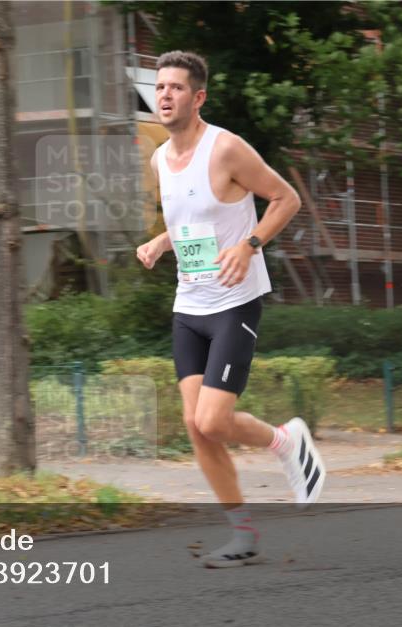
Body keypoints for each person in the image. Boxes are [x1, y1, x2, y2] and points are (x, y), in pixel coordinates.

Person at [136, 51, 326, 568]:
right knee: (196, 426)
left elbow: (285, 199)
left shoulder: (225, 149)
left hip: (233, 304)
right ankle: (242, 534)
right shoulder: (159, 160)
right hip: (188, 307)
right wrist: (160, 243)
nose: (165, 96)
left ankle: (285, 440)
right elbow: (193, 224)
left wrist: (250, 245)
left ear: (198, 98)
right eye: (160, 88)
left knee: (213, 419)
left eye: (176, 88)